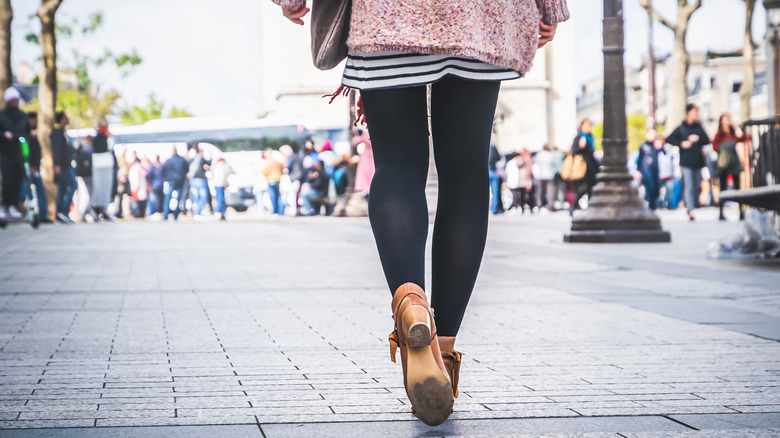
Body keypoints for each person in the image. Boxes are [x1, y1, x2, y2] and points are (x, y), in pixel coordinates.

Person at [274, 0, 567, 425]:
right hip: (481, 17)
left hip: (386, 15)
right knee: (466, 174)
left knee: (397, 166)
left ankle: (411, 303)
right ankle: (442, 353)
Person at [666, 104, 710, 221]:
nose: (696, 115)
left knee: (697, 186)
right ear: (688, 113)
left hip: (698, 161)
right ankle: (690, 210)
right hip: (686, 162)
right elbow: (669, 138)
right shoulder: (681, 127)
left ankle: (692, 204)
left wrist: (698, 138)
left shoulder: (699, 128)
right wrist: (682, 143)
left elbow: (707, 140)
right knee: (689, 186)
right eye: (694, 112)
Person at [0, 87, 30, 221]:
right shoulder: (1, 115)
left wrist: (16, 136)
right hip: (5, 153)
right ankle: (5, 206)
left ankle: (13, 205)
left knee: (18, 180)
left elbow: (27, 133)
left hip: (19, 153)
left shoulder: (23, 116)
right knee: (7, 180)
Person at [712, 113, 748, 221]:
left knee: (738, 188)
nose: (728, 121)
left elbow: (743, 138)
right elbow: (714, 146)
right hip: (724, 164)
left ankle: (741, 211)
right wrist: (722, 153)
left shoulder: (732, 133)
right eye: (725, 119)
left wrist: (740, 128)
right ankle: (721, 212)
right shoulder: (719, 135)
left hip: (734, 162)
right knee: (723, 188)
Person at [19, 112, 49, 222]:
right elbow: (27, 152)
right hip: (29, 167)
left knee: (38, 190)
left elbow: (36, 151)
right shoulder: (25, 135)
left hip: (34, 167)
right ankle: (22, 210)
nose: (37, 122)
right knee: (25, 190)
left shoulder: (32, 134)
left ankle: (42, 215)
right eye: (35, 120)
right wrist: (31, 165)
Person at [51, 112, 77, 224]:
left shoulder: (64, 132)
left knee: (62, 189)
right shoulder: (57, 133)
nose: (68, 119)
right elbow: (56, 149)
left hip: (66, 164)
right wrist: (56, 164)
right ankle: (64, 210)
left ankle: (59, 213)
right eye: (65, 117)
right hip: (63, 166)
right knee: (73, 184)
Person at [570, 119, 598, 215]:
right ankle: (573, 206)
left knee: (591, 188)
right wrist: (580, 147)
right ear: (581, 126)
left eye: (589, 125)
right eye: (586, 125)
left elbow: (592, 152)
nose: (588, 128)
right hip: (583, 167)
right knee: (584, 188)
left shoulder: (591, 137)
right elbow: (574, 151)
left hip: (592, 167)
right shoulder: (578, 138)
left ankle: (590, 208)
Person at [635, 128, 665, 211]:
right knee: (650, 186)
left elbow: (664, 153)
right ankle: (651, 205)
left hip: (656, 168)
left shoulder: (656, 144)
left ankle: (653, 204)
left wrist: (661, 146)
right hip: (647, 169)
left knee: (656, 187)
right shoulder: (643, 146)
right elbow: (640, 159)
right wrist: (638, 170)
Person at [91, 121, 113, 219]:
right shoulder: (101, 138)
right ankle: (98, 207)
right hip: (101, 164)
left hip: (104, 164)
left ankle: (103, 208)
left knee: (105, 188)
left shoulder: (105, 137)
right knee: (100, 188)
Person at [161, 147, 189, 221]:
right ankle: (176, 215)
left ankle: (165, 215)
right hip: (180, 181)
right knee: (178, 199)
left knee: (167, 199)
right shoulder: (182, 160)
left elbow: (163, 170)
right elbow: (187, 170)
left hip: (170, 181)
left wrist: (166, 178)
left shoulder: (168, 161)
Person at [75, 137, 98, 222]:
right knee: (91, 195)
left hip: (85, 174)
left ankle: (86, 213)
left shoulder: (82, 149)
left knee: (89, 194)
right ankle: (86, 213)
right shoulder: (89, 150)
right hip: (89, 174)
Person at [187, 143, 210, 219]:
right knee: (203, 196)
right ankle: (198, 211)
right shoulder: (200, 158)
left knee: (195, 196)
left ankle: (195, 211)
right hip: (200, 179)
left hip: (192, 179)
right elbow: (209, 163)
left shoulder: (191, 158)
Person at [533, 144, 558, 211]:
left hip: (541, 174)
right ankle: (550, 205)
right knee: (550, 191)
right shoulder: (550, 155)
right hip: (549, 174)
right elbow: (554, 164)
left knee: (540, 191)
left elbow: (536, 162)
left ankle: (539, 204)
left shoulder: (539, 154)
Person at [353, 128, 375, 203]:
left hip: (370, 163)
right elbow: (354, 142)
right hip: (369, 162)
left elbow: (355, 142)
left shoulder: (366, 135)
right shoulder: (366, 135)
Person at [262, 148, 285, 215]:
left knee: (273, 197)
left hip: (271, 181)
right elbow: (282, 171)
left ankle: (275, 211)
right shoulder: (278, 162)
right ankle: (281, 211)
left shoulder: (268, 162)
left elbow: (265, 172)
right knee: (278, 197)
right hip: (278, 180)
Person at [127, 153, 149, 218]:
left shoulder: (136, 168)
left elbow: (136, 179)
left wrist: (135, 187)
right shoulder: (138, 168)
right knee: (139, 200)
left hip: (138, 187)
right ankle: (140, 213)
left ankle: (139, 213)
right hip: (138, 187)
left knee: (139, 201)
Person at [488, 143, 502, 214]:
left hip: (487, 171)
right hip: (493, 171)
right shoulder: (494, 149)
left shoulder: (486, 148)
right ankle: (494, 209)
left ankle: (489, 208)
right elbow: (498, 162)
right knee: (494, 192)